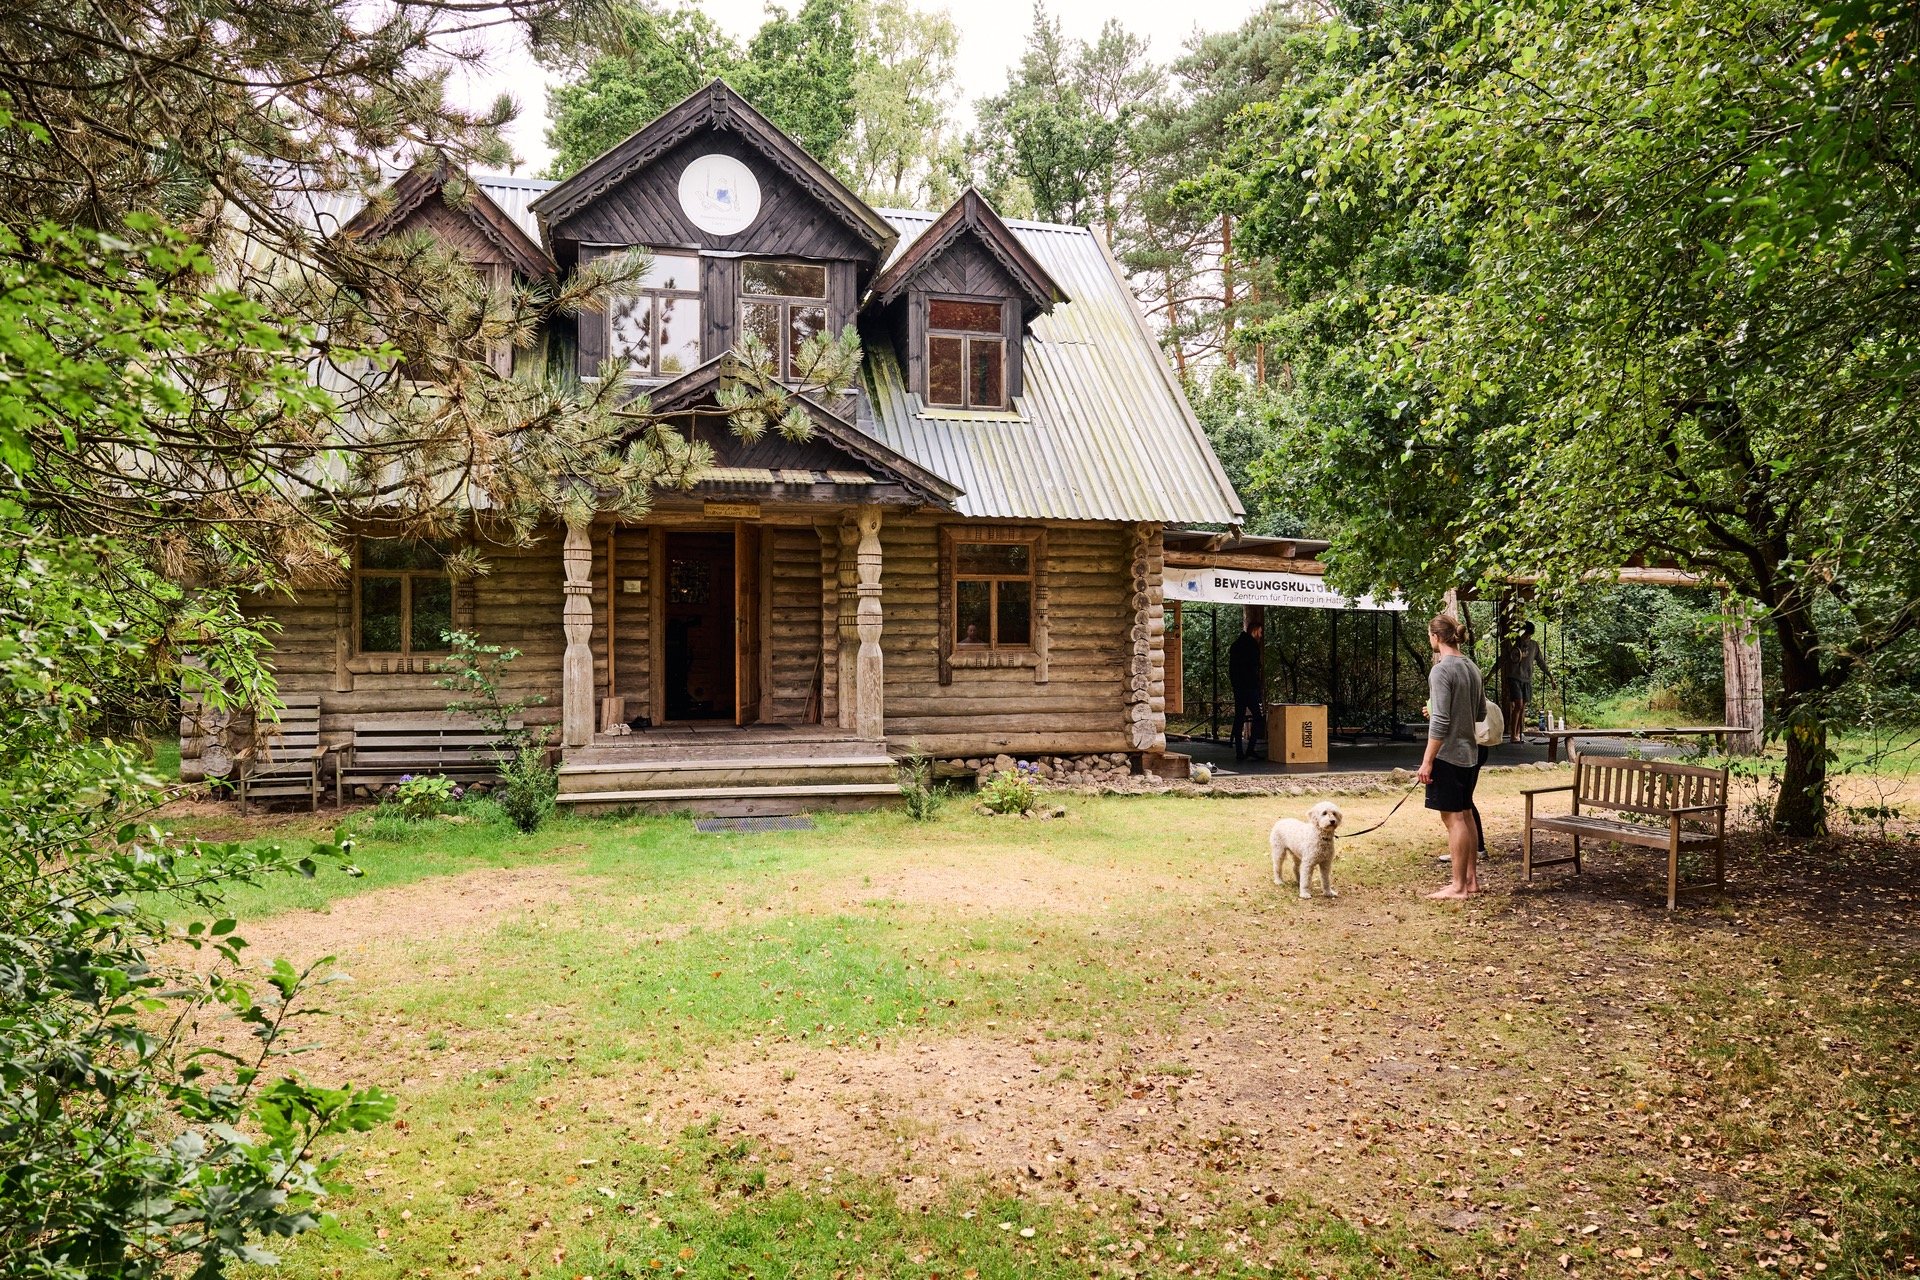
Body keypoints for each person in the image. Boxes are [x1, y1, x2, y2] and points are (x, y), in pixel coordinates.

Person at [1418, 612, 1485, 899]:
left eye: (1429, 635)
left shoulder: (1441, 670)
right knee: (1466, 814)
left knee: (1453, 819)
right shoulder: (1472, 667)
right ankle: (1471, 881)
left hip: (1448, 755)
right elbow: (1480, 713)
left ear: (1435, 637)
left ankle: (1458, 887)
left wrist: (1427, 761)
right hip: (1470, 753)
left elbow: (1441, 721)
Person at [1502, 620, 1554, 741]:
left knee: (1523, 706)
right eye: (1525, 635)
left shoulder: (1534, 645)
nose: (1527, 637)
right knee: (1518, 704)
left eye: (1529, 635)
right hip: (1514, 677)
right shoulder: (1513, 644)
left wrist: (1550, 676)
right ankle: (1513, 735)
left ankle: (1519, 733)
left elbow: (1541, 662)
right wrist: (1489, 675)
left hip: (1527, 679)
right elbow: (1502, 659)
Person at [1227, 614, 1264, 761]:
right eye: (1260, 632)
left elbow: (1232, 669)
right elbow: (1254, 669)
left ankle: (1239, 751)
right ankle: (1250, 749)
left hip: (1239, 687)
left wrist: (1235, 684)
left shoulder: (1236, 646)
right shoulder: (1252, 647)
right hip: (1250, 687)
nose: (1261, 635)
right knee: (1258, 718)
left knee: (1239, 717)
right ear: (1255, 631)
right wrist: (1257, 686)